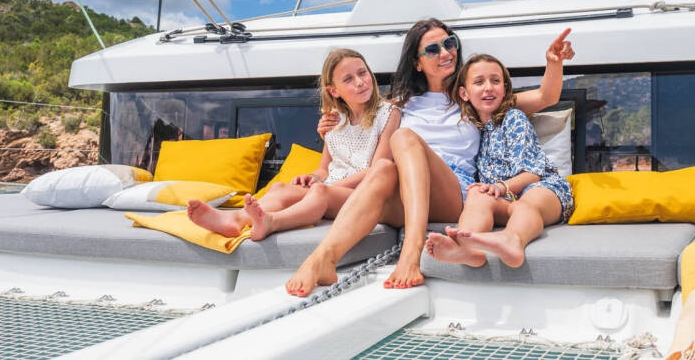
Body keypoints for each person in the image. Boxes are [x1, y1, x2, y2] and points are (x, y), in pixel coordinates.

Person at [285, 19, 574, 296]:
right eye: (433, 49)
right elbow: (356, 127)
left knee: (403, 138)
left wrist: (554, 63)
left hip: (451, 192)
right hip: (406, 192)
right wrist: (329, 126)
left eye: (450, 43)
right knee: (382, 168)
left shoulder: (471, 97)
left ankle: (411, 253)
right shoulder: (399, 106)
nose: (446, 53)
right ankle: (322, 259)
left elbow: (545, 97)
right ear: (417, 63)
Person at [187, 48, 401, 241]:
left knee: (320, 194)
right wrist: (313, 177)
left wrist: (325, 187)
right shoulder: (334, 119)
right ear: (334, 91)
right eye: (348, 79)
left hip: (364, 193)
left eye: (362, 73)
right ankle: (235, 219)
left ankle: (271, 222)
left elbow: (377, 170)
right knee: (280, 188)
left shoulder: (388, 113)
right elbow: (324, 169)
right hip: (330, 188)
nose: (360, 82)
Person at [426, 54, 573, 268]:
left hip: (543, 189)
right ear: (464, 94)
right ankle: (466, 248)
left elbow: (533, 173)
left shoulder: (513, 118)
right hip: (506, 198)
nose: (488, 88)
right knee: (477, 195)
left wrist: (500, 187)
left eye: (495, 81)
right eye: (479, 82)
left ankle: (512, 240)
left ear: (504, 89)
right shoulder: (473, 131)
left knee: (527, 203)